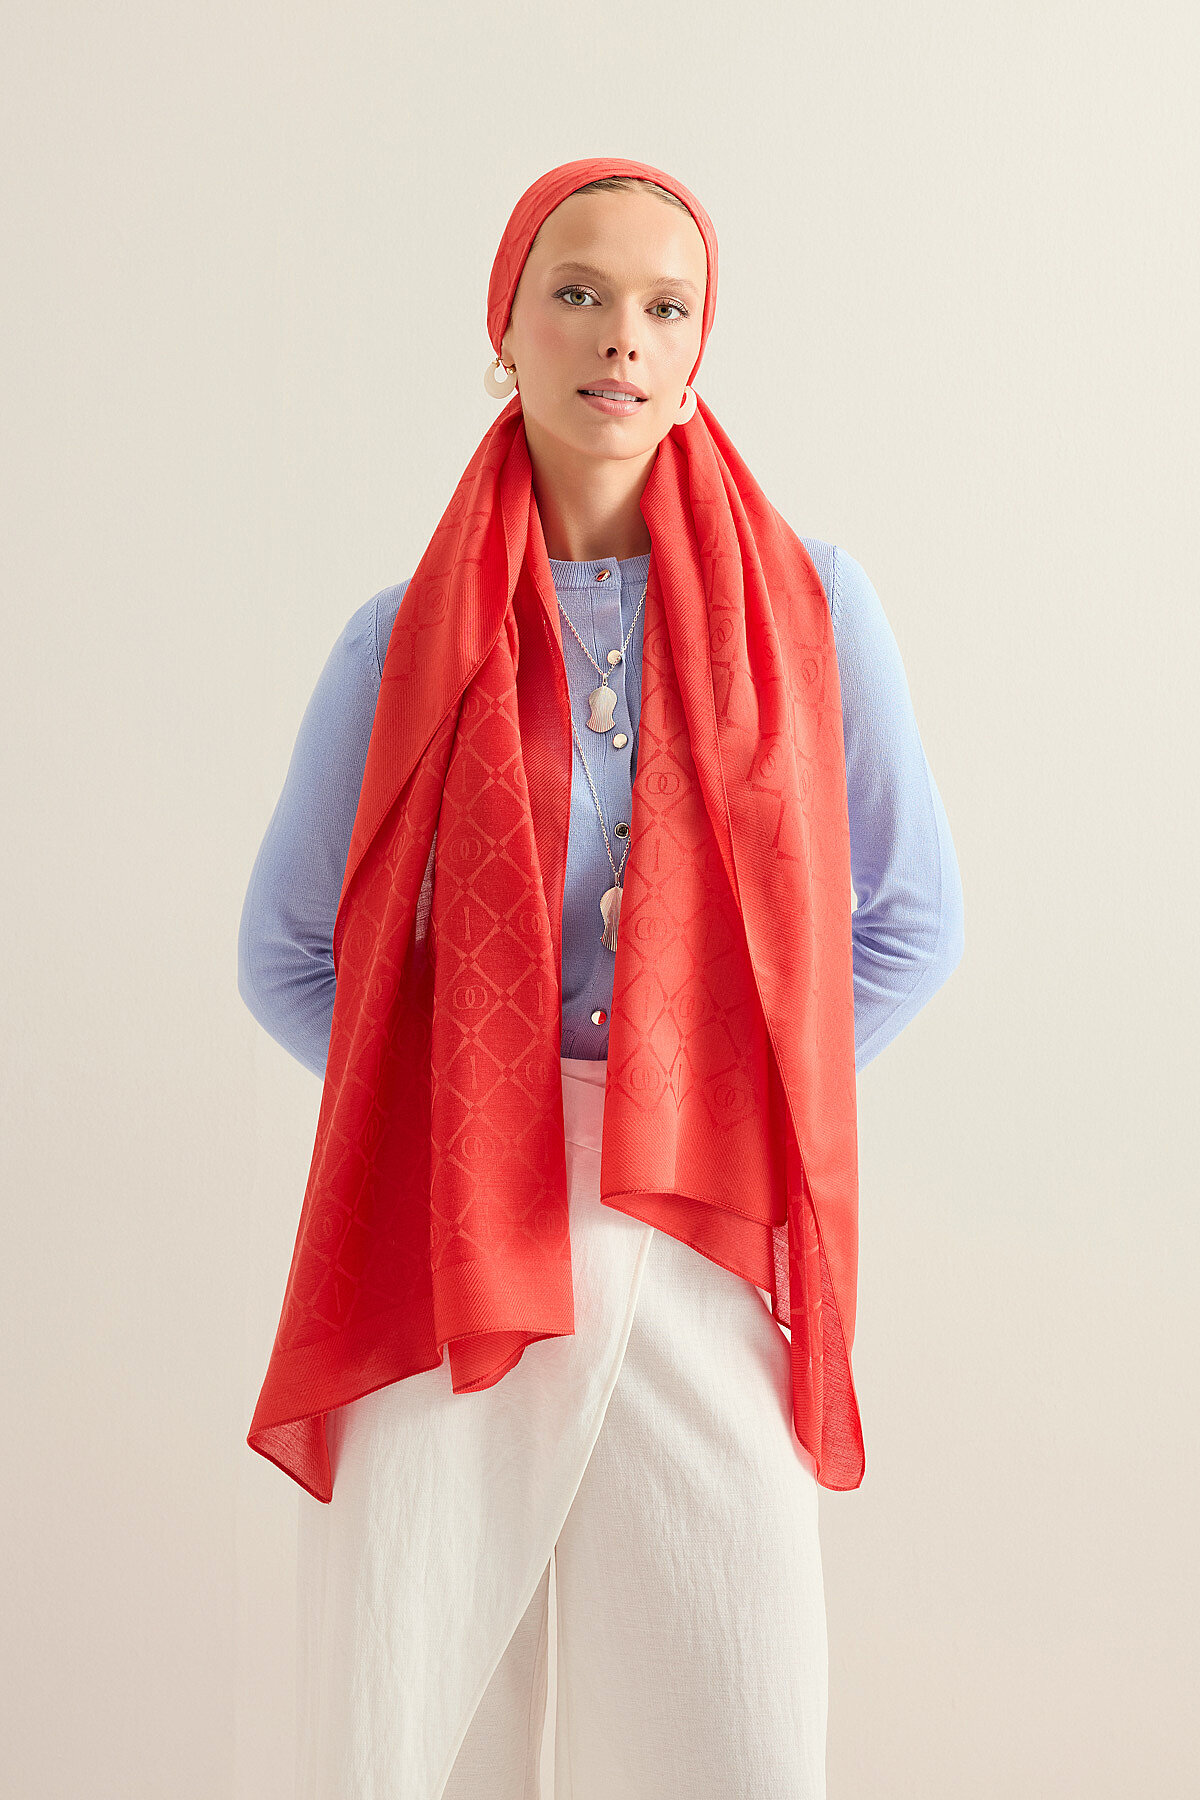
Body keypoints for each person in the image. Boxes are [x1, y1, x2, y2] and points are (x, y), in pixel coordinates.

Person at [238, 159, 964, 1800]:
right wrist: (457, 1111)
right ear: (503, 327)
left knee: (734, 1714)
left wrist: (726, 1077)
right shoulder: (395, 641)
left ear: (699, 352)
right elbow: (286, 957)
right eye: (576, 292)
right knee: (422, 1707)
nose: (620, 335)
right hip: (455, 1239)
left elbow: (910, 924)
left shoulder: (815, 612)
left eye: (664, 304)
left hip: (699, 1212)